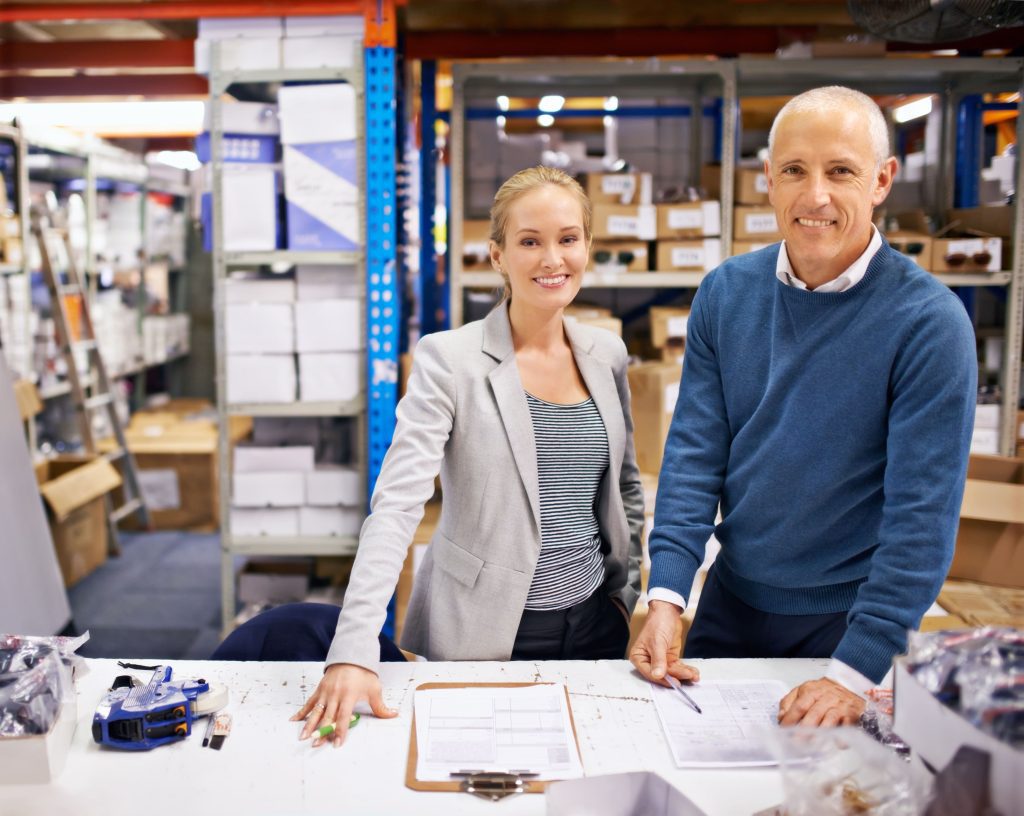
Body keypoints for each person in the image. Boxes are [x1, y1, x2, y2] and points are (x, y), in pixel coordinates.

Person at [630, 86, 976, 727]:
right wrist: (669, 595)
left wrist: (854, 669)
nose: (814, 195)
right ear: (768, 180)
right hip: (732, 602)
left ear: (882, 180)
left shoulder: (928, 322)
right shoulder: (726, 293)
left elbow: (920, 517)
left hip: (848, 627)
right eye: (794, 170)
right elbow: (694, 454)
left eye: (840, 171)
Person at [293, 166, 645, 747]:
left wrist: (623, 596)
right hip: (488, 631)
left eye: (567, 238)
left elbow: (625, 487)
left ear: (587, 246)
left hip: (594, 624)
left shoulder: (605, 353)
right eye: (529, 241)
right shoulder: (449, 359)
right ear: (497, 255)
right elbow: (398, 505)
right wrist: (354, 649)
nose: (552, 258)